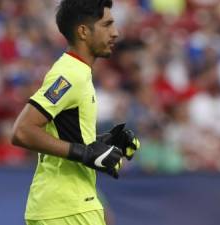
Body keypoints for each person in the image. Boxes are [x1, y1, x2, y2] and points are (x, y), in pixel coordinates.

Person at [11, 1, 140, 225]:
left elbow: (65, 136)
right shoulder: (71, 75)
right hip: (67, 208)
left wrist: (104, 141)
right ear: (83, 31)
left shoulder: (77, 72)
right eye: (107, 24)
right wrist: (85, 153)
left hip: (68, 205)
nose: (116, 33)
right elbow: (22, 131)